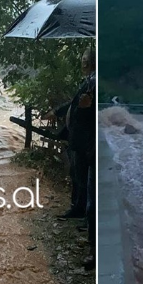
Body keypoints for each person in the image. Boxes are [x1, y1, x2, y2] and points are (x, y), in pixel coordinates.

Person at [45, 47, 96, 269]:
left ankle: (93, 246)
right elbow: (74, 104)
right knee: (78, 178)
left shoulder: (96, 83)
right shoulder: (87, 81)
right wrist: (56, 112)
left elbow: (97, 111)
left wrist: (91, 107)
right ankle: (77, 210)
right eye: (82, 59)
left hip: (88, 144)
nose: (82, 63)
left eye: (86, 59)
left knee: (90, 192)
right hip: (78, 142)